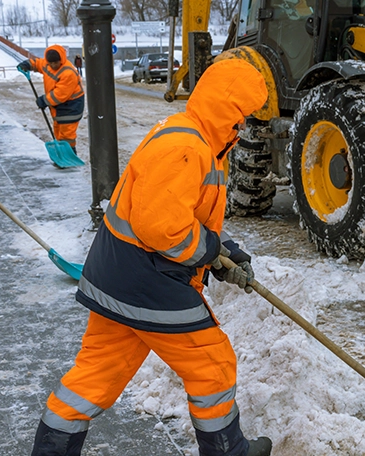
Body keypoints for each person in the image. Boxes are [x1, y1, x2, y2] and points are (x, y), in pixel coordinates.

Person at [30, 59, 273, 456]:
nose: (243, 126)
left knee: (95, 375)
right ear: (226, 109)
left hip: (116, 276)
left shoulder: (202, 140)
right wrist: (209, 253)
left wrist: (224, 249)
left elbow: (187, 214)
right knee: (212, 365)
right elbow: (163, 229)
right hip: (147, 279)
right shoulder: (186, 147)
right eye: (241, 116)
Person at [17, 45, 84, 155]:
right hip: (58, 105)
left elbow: (60, 94)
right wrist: (28, 64)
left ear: (61, 60)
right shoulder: (47, 64)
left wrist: (44, 100)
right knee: (57, 127)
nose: (53, 65)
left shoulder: (68, 72)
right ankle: (62, 153)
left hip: (72, 105)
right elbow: (38, 63)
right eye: (51, 63)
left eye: (56, 63)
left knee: (67, 133)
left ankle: (70, 154)